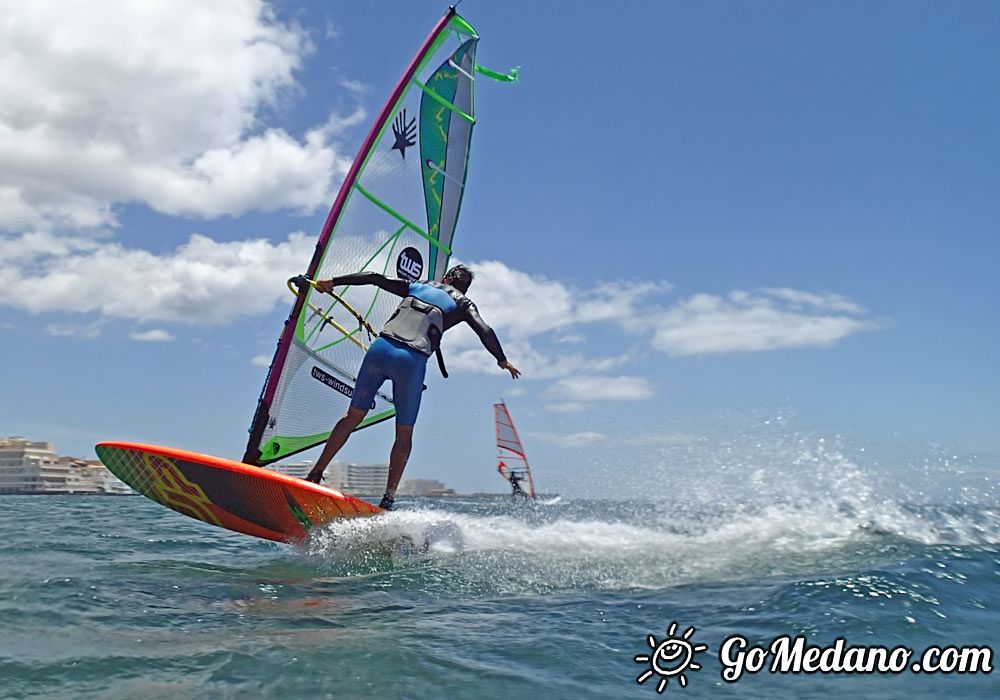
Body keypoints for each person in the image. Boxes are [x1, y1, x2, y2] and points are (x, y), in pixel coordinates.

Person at [305, 265, 520, 511]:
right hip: (411, 361)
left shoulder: (418, 285)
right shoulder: (464, 303)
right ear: (465, 288)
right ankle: (387, 499)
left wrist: (332, 281)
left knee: (353, 415)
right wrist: (501, 360)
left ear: (446, 277)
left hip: (379, 350)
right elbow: (485, 331)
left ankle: (315, 473)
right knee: (404, 432)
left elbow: (374, 278)